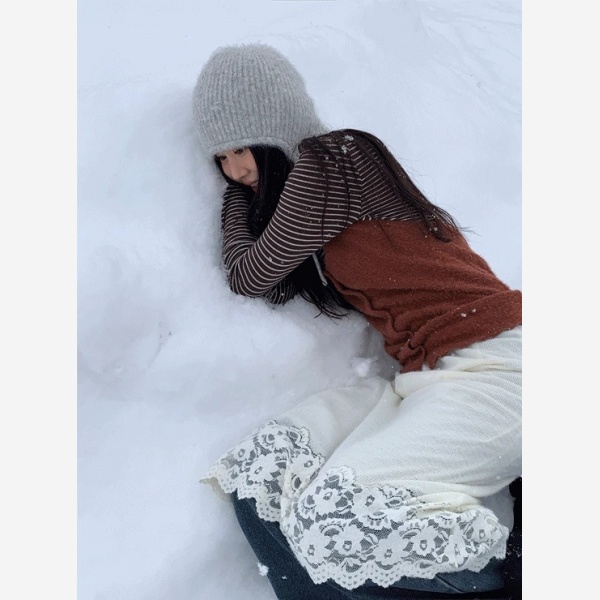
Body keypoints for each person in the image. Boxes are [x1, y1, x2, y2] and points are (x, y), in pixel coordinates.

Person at [193, 43, 522, 600]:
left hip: (500, 363)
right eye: (220, 159)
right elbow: (267, 277)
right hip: (424, 379)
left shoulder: (339, 158)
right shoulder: (317, 208)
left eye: (242, 149)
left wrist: (233, 201)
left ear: (276, 127)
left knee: (334, 516)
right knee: (264, 475)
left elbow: (249, 274)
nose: (235, 170)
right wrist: (244, 196)